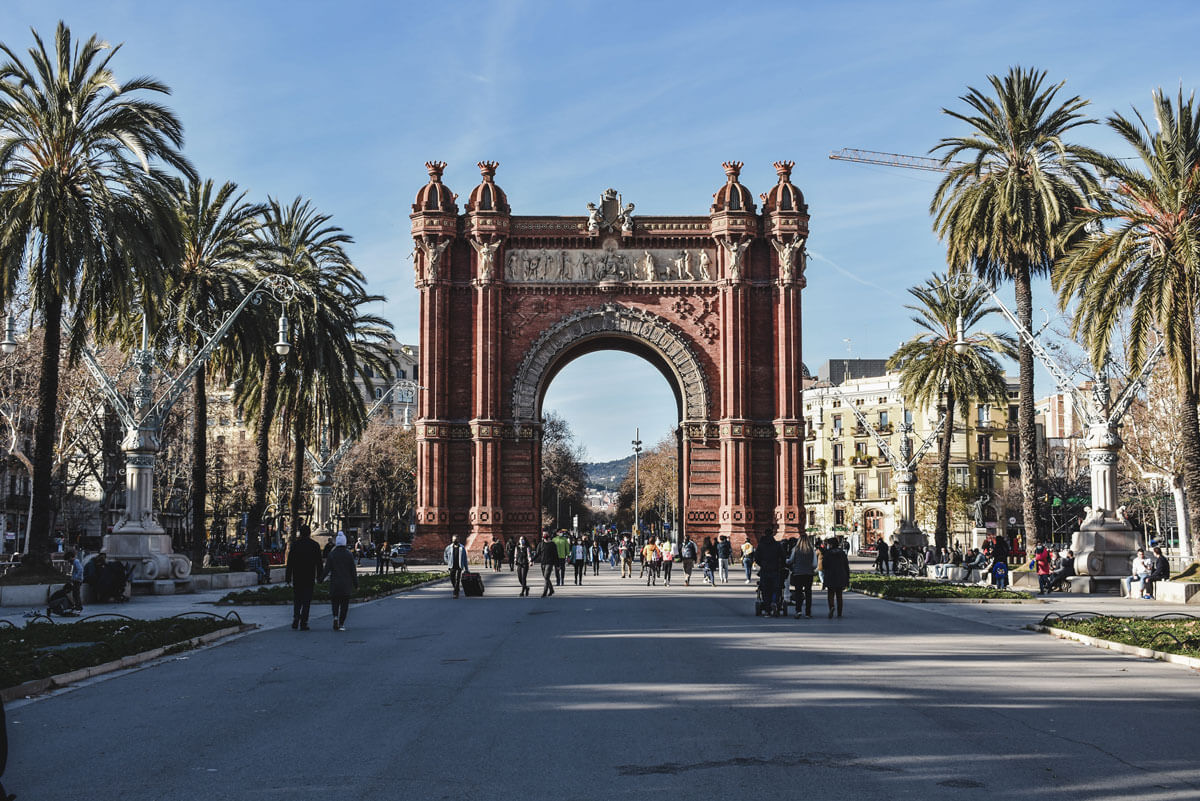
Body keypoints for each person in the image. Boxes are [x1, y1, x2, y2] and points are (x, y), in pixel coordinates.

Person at [285, 525, 322, 630]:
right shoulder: (314, 545)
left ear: (300, 533)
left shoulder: (295, 545)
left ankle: (296, 618)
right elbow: (319, 563)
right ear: (309, 533)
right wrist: (320, 576)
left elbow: (290, 563)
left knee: (297, 599)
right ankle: (304, 622)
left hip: (297, 576)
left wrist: (288, 578)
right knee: (306, 600)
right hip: (309, 576)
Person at [321, 532, 358, 631]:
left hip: (335, 583)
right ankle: (341, 623)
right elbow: (353, 571)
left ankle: (335, 617)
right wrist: (356, 584)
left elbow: (327, 569)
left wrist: (320, 579)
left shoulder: (332, 554)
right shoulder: (349, 554)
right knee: (344, 605)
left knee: (335, 602)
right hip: (346, 584)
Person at [753, 529, 785, 608]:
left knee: (765, 588)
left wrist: (762, 564)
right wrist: (781, 565)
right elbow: (783, 556)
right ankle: (774, 602)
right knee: (776, 588)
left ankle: (767, 607)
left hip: (765, 570)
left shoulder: (761, 545)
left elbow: (756, 558)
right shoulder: (777, 545)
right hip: (775, 569)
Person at [787, 533, 817, 618]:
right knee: (808, 593)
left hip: (798, 573)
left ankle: (798, 611)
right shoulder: (812, 550)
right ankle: (808, 613)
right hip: (808, 574)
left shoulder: (795, 549)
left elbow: (791, 560)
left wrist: (786, 561)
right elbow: (814, 564)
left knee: (798, 593)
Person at [819, 537, 850, 618]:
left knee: (830, 594)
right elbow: (846, 565)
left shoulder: (828, 553)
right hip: (840, 575)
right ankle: (839, 613)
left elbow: (824, 565)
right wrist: (847, 577)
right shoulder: (842, 553)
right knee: (839, 595)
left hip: (830, 575)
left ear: (831, 544)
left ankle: (832, 607)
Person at [535, 533, 557, 597]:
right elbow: (537, 553)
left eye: (546, 538)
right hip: (543, 563)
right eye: (544, 538)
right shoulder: (541, 544)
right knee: (545, 577)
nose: (545, 540)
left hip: (550, 563)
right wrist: (532, 560)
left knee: (546, 577)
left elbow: (556, 555)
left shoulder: (552, 544)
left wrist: (557, 565)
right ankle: (551, 589)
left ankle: (544, 592)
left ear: (549, 538)